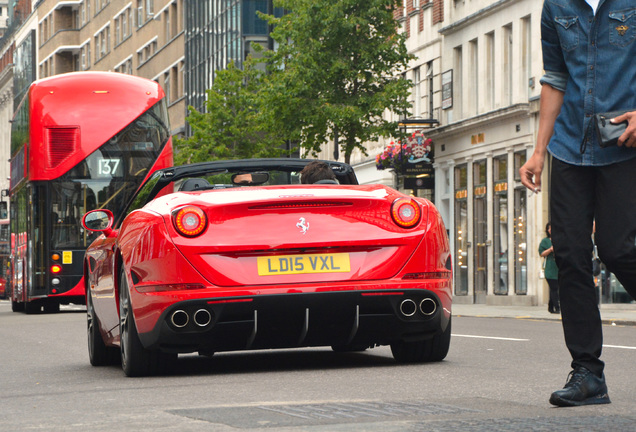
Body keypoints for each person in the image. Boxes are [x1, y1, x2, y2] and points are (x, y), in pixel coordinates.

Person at [519, 0, 636, 407]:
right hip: (570, 146)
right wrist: (539, 150)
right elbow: (555, 79)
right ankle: (588, 373)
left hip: (625, 143)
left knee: (619, 247)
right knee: (569, 253)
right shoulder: (556, 7)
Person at [539, 222, 559, 314]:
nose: (550, 230)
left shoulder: (560, 239)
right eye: (549, 228)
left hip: (559, 267)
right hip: (550, 268)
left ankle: (550, 307)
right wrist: (550, 249)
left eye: (552, 228)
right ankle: (557, 307)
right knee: (554, 287)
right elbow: (542, 253)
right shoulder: (545, 241)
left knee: (554, 288)